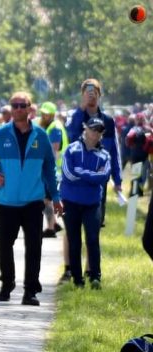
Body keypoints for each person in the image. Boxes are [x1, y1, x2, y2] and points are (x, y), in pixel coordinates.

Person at [0, 91, 62, 306]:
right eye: (14, 105)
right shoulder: (1, 134)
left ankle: (30, 291)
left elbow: (49, 169)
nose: (17, 109)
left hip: (33, 202)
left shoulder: (41, 136)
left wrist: (55, 196)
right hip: (6, 202)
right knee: (4, 245)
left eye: (22, 105)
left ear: (29, 109)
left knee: (34, 247)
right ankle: (7, 284)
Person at [63, 79, 122, 282]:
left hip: (97, 188)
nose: (91, 94)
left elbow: (114, 150)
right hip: (73, 188)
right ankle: (70, 268)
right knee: (71, 231)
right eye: (87, 91)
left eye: (94, 91)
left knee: (93, 231)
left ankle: (91, 271)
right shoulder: (75, 118)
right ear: (82, 95)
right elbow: (70, 137)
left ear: (99, 94)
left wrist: (117, 177)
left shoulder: (107, 120)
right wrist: (80, 113)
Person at [60, 118, 111, 289]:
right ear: (85, 128)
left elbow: (103, 177)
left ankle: (95, 277)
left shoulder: (105, 155)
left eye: (99, 131)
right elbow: (68, 174)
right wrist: (91, 176)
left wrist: (82, 172)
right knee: (74, 240)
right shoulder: (71, 149)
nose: (95, 133)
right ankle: (77, 279)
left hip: (92, 203)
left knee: (92, 238)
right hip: (70, 202)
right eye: (92, 129)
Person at [39, 101, 68, 238]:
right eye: (42, 113)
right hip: (54, 169)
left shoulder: (54, 127)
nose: (43, 116)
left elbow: (54, 149)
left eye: (46, 114)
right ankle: (55, 224)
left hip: (53, 169)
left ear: (52, 114)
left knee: (46, 199)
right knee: (48, 198)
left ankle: (50, 229)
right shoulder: (52, 126)